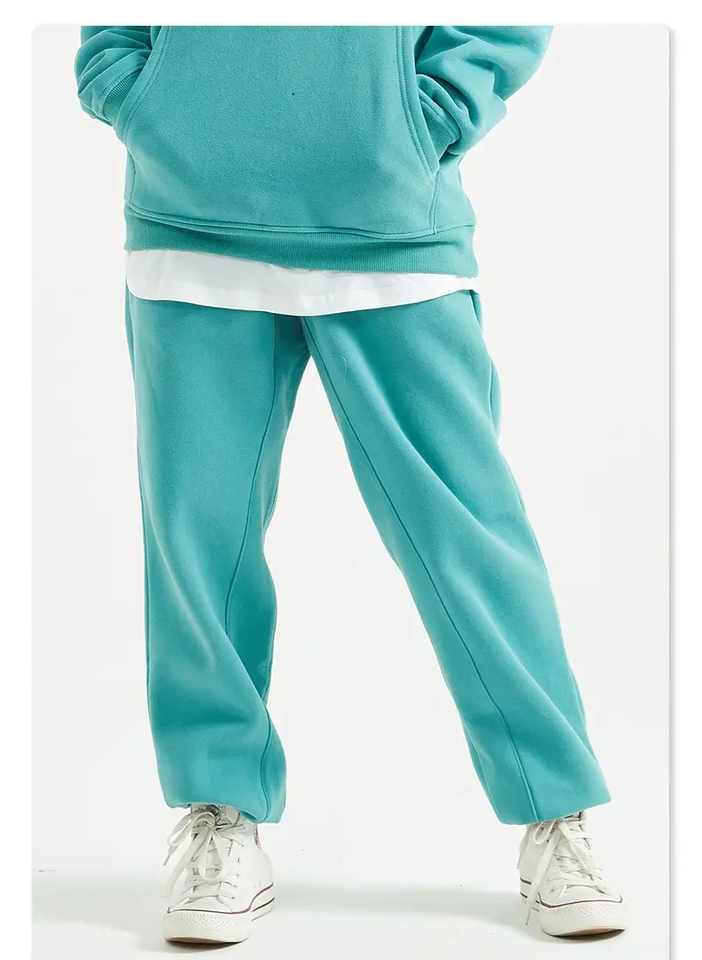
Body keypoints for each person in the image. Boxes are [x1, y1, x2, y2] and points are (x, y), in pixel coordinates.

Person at [74, 25, 626, 944]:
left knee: (469, 538)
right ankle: (219, 812)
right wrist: (139, 90)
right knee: (197, 544)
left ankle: (555, 813)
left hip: (392, 220)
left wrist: (424, 115)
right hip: (189, 218)